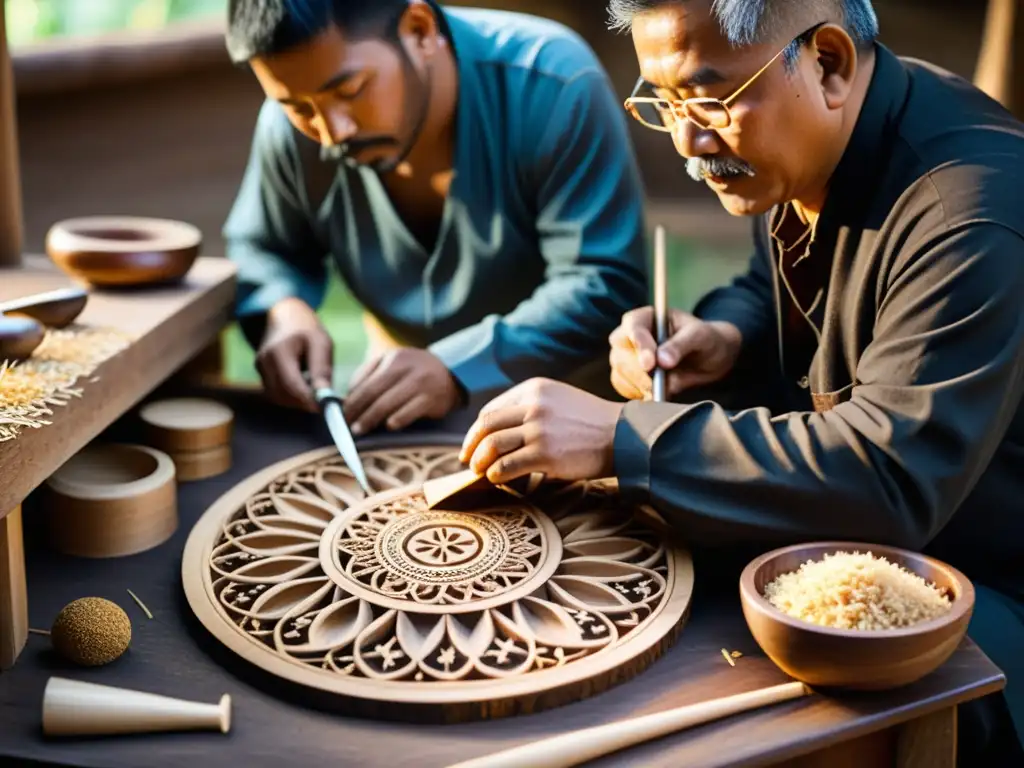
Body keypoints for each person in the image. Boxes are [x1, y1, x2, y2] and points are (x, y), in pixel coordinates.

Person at [458, 0, 1024, 762]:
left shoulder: (969, 212)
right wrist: (725, 335)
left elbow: (891, 477)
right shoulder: (824, 134)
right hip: (830, 533)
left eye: (708, 97)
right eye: (664, 101)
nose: (689, 142)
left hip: (979, 586)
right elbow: (767, 281)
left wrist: (621, 435)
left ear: (828, 62)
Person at [221, 0, 650, 435]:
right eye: (299, 108)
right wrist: (282, 310)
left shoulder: (551, 81)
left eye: (350, 92)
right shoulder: (288, 128)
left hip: (579, 421)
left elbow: (601, 280)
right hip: (402, 422)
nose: (333, 133)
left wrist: (457, 366)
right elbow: (263, 246)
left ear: (421, 30)